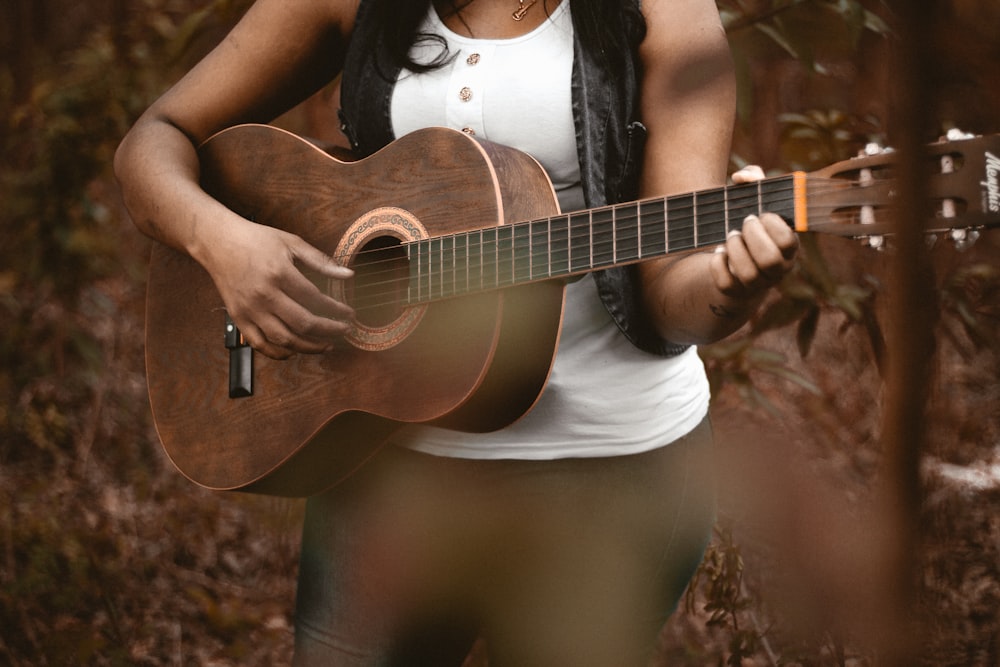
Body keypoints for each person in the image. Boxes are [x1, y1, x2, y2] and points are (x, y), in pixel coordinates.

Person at [115, 0, 799, 664]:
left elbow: (673, 291)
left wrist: (728, 287)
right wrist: (228, 246)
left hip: (610, 471)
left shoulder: (664, 8)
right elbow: (153, 140)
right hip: (386, 458)